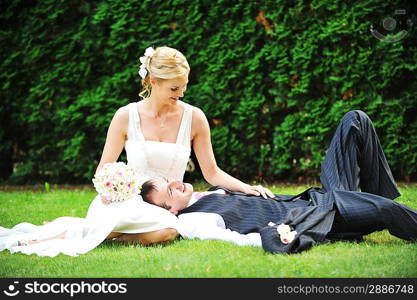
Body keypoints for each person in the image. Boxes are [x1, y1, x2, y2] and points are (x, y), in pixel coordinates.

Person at [0, 46, 272, 256]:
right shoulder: (125, 116)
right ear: (152, 80)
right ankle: (88, 229)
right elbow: (103, 170)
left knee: (166, 232)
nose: (181, 94)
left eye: (184, 86)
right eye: (174, 88)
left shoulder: (195, 118)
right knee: (152, 226)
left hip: (164, 206)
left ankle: (103, 235)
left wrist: (246, 187)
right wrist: (113, 190)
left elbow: (211, 172)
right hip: (126, 199)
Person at [140, 110, 417, 254]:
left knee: (355, 121)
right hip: (318, 219)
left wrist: (248, 189)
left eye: (168, 180)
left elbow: (218, 176)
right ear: (170, 211)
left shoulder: (208, 192)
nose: (175, 183)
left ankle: (370, 200)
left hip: (319, 199)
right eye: (168, 192)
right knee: (384, 211)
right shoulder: (192, 221)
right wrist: (279, 237)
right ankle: (372, 206)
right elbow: (231, 238)